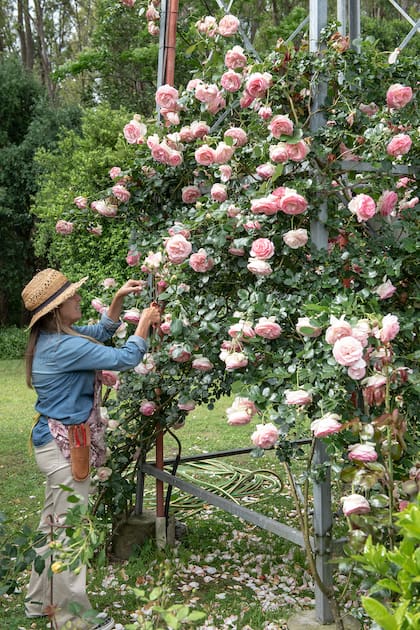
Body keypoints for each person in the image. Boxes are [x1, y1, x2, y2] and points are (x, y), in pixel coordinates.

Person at [21, 268, 161, 630]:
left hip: (51, 443)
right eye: (73, 296)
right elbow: (125, 359)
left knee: (52, 528)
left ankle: (39, 603)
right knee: (70, 535)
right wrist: (143, 323)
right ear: (56, 309)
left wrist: (116, 303)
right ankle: (74, 618)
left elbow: (98, 335)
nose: (79, 297)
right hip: (64, 449)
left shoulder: (55, 337)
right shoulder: (64, 346)